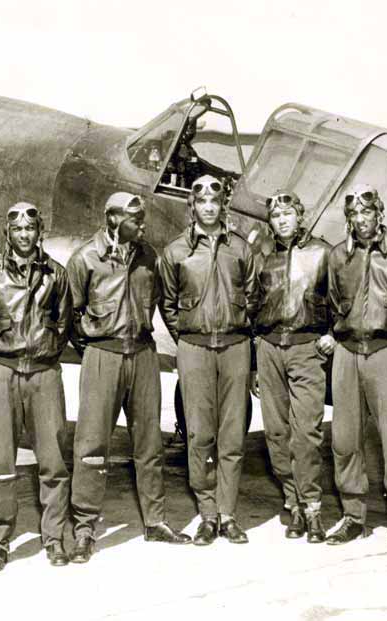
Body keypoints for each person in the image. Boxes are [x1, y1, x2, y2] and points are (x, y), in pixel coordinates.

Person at [68, 192, 191, 563]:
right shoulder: (84, 259)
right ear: (112, 220)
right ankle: (85, 528)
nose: (142, 224)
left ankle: (155, 522)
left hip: (141, 354)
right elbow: (71, 315)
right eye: (135, 219)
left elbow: (154, 302)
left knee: (149, 443)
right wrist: (95, 343)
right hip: (102, 355)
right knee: (91, 445)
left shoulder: (147, 257)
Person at [0, 203, 72, 570]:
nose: (24, 235)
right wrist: (1, 357)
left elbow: (64, 322)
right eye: (18, 230)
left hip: (44, 375)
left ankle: (55, 538)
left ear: (38, 231)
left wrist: (43, 352)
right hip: (3, 374)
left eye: (30, 228)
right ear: (8, 234)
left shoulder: (56, 275)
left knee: (54, 461)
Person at [159, 175, 259, 545]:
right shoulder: (176, 252)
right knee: (200, 435)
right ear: (193, 207)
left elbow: (254, 296)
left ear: (222, 207)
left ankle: (229, 515)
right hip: (194, 348)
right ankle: (207, 514)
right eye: (201, 203)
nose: (209, 208)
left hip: (234, 346)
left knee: (232, 437)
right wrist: (186, 337)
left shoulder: (240, 250)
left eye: (215, 203)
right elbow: (167, 303)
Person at [326, 185, 387, 549]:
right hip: (347, 353)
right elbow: (333, 302)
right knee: (345, 439)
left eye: (368, 212)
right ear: (348, 220)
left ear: (380, 213)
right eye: (354, 215)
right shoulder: (338, 257)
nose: (361, 220)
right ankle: (352, 517)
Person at [252, 190, 332, 543]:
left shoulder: (322, 253)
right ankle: (293, 506)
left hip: (305, 349)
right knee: (276, 434)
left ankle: (313, 507)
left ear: (300, 216)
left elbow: (341, 299)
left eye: (288, 214)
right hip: (269, 348)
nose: (282, 220)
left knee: (307, 434)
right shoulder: (262, 256)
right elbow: (251, 305)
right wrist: (256, 357)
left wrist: (332, 333)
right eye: (276, 216)